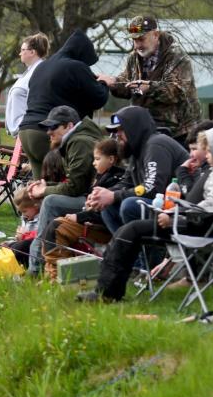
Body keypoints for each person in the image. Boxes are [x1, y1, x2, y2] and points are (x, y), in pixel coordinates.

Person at [79, 124, 213, 302]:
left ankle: (107, 292)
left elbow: (211, 206)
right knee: (129, 231)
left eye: (210, 151)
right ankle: (108, 290)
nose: (207, 156)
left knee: (131, 231)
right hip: (195, 222)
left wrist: (176, 216)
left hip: (196, 226)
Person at [23, 105, 105, 274]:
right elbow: (76, 185)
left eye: (53, 127)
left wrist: (44, 192)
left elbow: (74, 188)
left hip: (98, 202)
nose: (48, 132)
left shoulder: (80, 141)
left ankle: (35, 267)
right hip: (90, 197)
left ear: (69, 126)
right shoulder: (78, 139)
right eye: (47, 128)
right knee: (49, 197)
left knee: (51, 202)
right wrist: (47, 186)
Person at [18, 30, 109, 179]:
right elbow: (99, 98)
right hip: (48, 133)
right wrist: (105, 83)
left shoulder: (42, 67)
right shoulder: (76, 66)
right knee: (61, 184)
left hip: (27, 132)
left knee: (40, 188)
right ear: (82, 55)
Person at [84, 105, 188, 234]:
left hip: (181, 210)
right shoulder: (136, 151)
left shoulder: (155, 145)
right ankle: (125, 251)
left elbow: (153, 188)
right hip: (161, 206)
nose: (118, 135)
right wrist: (101, 195)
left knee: (130, 205)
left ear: (135, 129)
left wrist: (113, 195)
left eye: (121, 130)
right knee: (108, 206)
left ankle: (146, 253)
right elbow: (127, 183)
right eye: (115, 131)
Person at [96, 15, 200, 143]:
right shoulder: (134, 57)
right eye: (134, 40)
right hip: (146, 129)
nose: (137, 45)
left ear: (155, 35)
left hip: (178, 133)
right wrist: (113, 83)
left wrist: (149, 87)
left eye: (141, 39)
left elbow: (176, 91)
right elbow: (127, 84)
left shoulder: (177, 57)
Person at [40, 138, 124, 282]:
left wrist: (79, 217)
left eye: (97, 159)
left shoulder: (115, 180)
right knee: (55, 225)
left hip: (103, 230)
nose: (93, 162)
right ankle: (53, 273)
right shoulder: (103, 176)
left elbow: (105, 213)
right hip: (93, 223)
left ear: (111, 159)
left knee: (56, 228)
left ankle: (57, 277)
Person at [5, 33, 49, 137]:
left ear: (32, 52)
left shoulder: (39, 72)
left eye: (23, 50)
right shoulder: (29, 72)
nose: (20, 53)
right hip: (22, 133)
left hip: (28, 130)